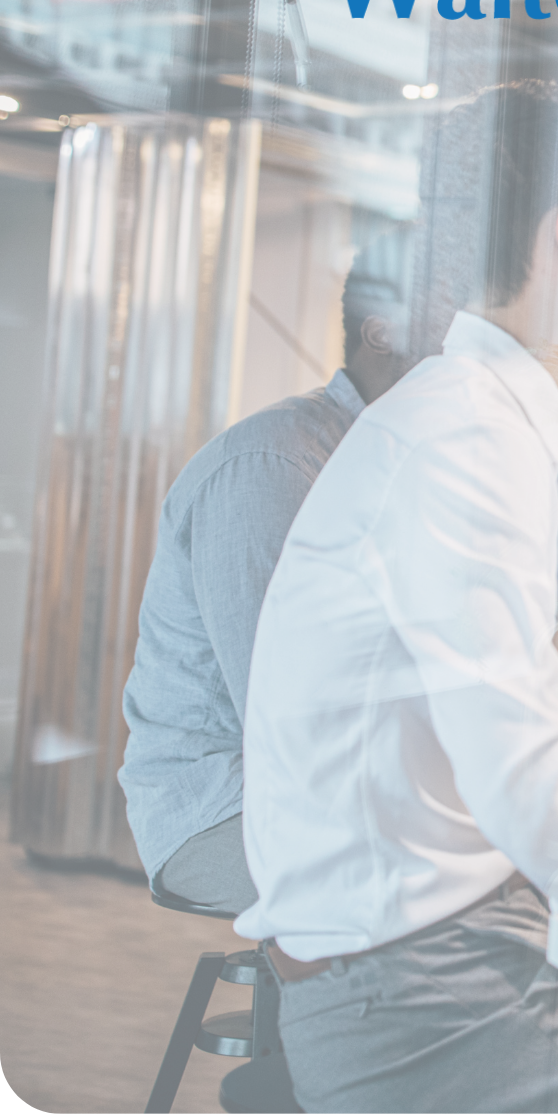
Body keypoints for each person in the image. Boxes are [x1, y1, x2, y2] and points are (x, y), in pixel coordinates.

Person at [236, 81, 558, 1113]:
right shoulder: (467, 434)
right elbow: (535, 788)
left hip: (420, 958)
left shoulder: (470, 417)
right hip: (413, 995)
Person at [118, 253, 419, 913]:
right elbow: (287, 708)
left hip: (338, 791)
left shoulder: (398, 467)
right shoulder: (275, 464)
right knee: (487, 889)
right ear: (384, 329)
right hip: (228, 806)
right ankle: (336, 1014)